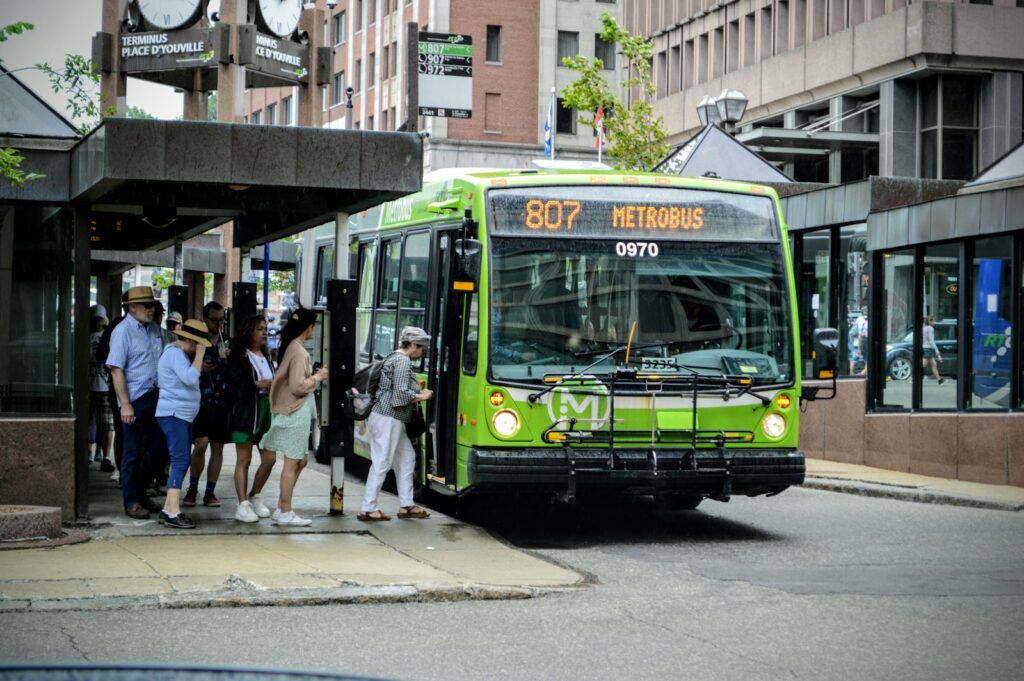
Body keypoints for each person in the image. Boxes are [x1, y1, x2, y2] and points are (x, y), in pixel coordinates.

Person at [259, 309, 328, 526]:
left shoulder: (291, 347)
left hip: (294, 411)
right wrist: (317, 377)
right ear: (308, 328)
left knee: (301, 460)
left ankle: (282, 507)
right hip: (296, 412)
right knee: (292, 463)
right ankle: (285, 511)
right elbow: (299, 386)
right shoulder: (299, 352)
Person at [359, 326, 434, 522]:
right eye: (422, 350)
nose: (422, 354)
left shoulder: (393, 357)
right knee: (382, 461)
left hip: (392, 418)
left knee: (407, 457)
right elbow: (400, 396)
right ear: (414, 345)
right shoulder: (402, 361)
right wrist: (422, 396)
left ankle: (407, 504)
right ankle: (368, 508)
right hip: (389, 417)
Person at [105, 286, 166, 519]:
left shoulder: (153, 330)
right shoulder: (123, 331)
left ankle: (141, 494)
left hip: (156, 395)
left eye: (153, 305)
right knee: (132, 451)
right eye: (147, 305)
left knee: (158, 449)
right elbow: (116, 369)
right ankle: (132, 500)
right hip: (136, 397)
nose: (152, 310)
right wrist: (126, 404)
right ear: (132, 308)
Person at [155, 319, 211, 529]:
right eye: (196, 344)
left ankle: (169, 508)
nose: (197, 348)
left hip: (181, 415)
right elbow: (189, 379)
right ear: (188, 339)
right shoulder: (174, 354)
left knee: (181, 461)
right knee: (180, 460)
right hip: (175, 414)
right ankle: (171, 511)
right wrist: (199, 356)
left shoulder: (177, 354)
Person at [228, 316, 278, 523]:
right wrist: (260, 384)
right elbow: (236, 384)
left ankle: (255, 494)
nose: (264, 332)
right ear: (249, 332)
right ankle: (242, 504)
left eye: (266, 329)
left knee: (270, 459)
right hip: (245, 411)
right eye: (259, 329)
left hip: (265, 409)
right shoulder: (239, 356)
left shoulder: (266, 355)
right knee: (244, 459)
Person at [184, 301, 231, 508]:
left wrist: (229, 361)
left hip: (221, 400)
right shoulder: (196, 341)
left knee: (218, 446)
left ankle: (210, 491)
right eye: (214, 320)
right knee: (201, 444)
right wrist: (199, 366)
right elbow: (184, 367)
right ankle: (193, 487)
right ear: (205, 318)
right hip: (201, 399)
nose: (218, 324)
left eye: (221, 320)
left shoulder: (226, 341)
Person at [88, 305, 115, 472]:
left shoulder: (109, 337)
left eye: (100, 319)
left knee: (106, 424)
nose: (98, 322)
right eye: (95, 319)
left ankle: (105, 455)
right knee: (92, 422)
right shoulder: (87, 336)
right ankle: (91, 453)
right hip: (90, 385)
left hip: (104, 385)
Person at [922, 316, 945, 385]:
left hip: (925, 348)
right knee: (923, 365)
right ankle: (914, 379)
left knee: (934, 364)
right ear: (930, 322)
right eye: (933, 321)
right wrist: (936, 350)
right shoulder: (930, 328)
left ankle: (939, 380)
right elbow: (931, 341)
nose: (934, 322)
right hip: (928, 348)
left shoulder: (923, 328)